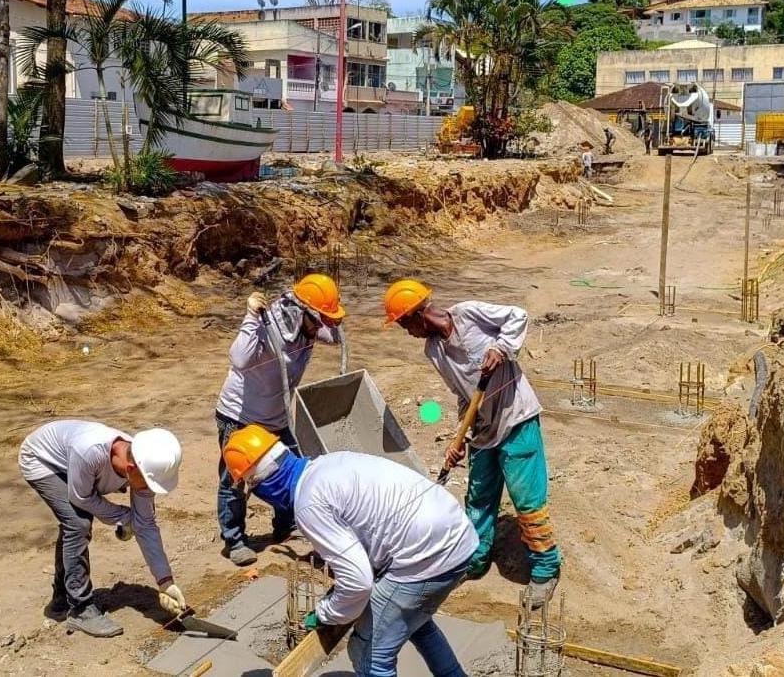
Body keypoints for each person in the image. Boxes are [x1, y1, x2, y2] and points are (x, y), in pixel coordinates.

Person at [223, 426, 477, 677]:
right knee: (410, 621)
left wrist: (326, 613)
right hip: (455, 532)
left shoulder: (308, 504)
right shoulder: (325, 465)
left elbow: (358, 582)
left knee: (369, 653)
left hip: (429, 553)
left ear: (261, 485)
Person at [383, 280, 562, 607]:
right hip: (483, 427)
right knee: (478, 496)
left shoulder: (468, 315)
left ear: (418, 315)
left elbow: (518, 316)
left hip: (516, 416)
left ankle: (545, 568)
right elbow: (465, 395)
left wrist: (501, 347)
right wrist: (460, 436)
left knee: (526, 500)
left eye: (404, 324)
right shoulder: (433, 351)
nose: (406, 333)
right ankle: (475, 559)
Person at [215, 273, 346, 566]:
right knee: (235, 478)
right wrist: (250, 317)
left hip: (276, 417)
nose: (321, 328)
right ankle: (234, 539)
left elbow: (334, 337)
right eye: (320, 320)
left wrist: (334, 317)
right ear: (301, 312)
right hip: (240, 416)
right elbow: (239, 358)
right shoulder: (267, 325)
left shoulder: (306, 327)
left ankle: (285, 525)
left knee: (295, 471)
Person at [19, 420, 186, 637]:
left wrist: (165, 581)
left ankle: (61, 599)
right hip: (42, 460)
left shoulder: (143, 466)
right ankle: (80, 609)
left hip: (75, 466)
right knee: (77, 523)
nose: (147, 490)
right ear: (130, 469)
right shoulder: (89, 453)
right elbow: (81, 497)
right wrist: (123, 517)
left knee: (75, 524)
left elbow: (145, 524)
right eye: (147, 484)